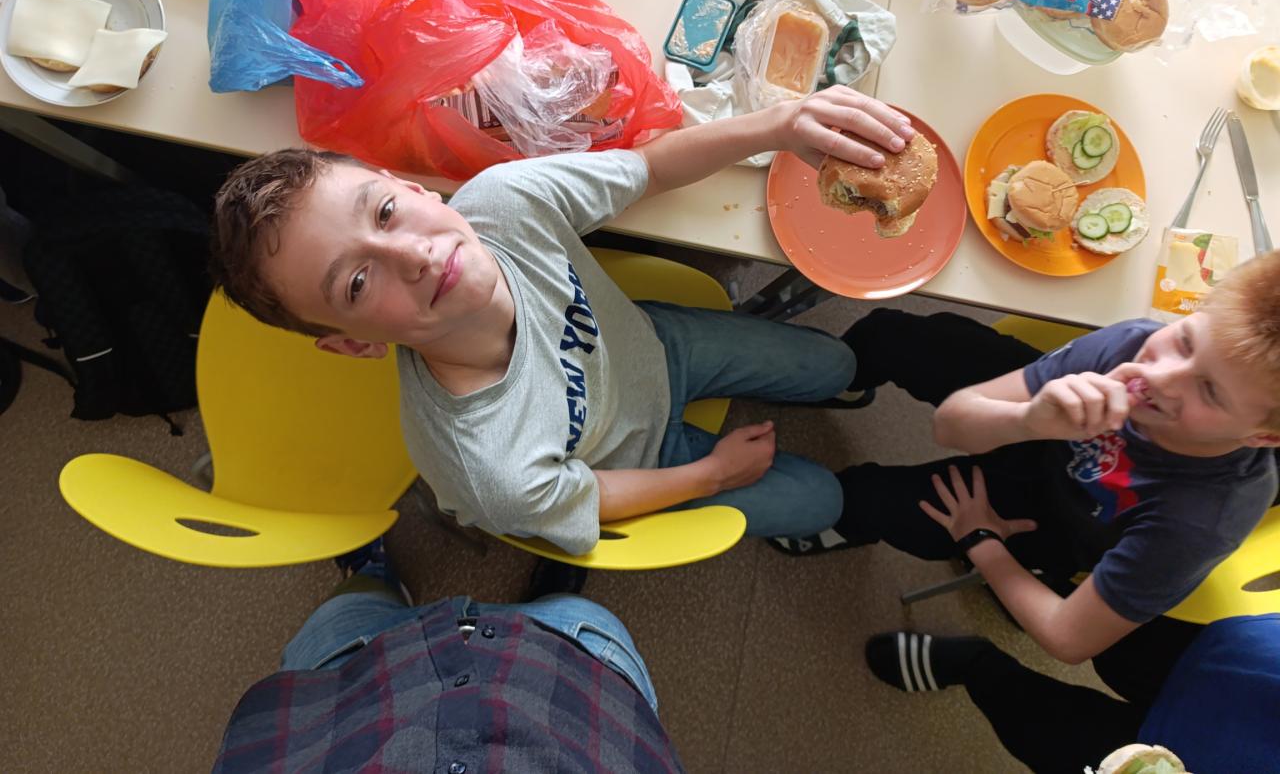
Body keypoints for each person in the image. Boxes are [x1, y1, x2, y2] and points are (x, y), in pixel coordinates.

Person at [209, 87, 913, 555]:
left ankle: (839, 385)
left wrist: (781, 123)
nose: (414, 256)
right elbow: (586, 496)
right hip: (635, 459)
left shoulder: (504, 204)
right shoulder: (484, 463)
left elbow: (650, 168)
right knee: (822, 499)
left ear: (411, 188)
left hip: (656, 348)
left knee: (835, 364)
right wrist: (711, 475)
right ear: (354, 343)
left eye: (387, 212)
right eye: (359, 282)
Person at [772, 252, 1280, 663]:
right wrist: (1030, 421)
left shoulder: (1199, 519)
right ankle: (842, 382)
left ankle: (845, 520)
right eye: (1185, 340)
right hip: (1046, 422)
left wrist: (982, 543)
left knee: (870, 500)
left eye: (1210, 392)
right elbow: (951, 425)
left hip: (1053, 520)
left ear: (1263, 437)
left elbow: (1068, 639)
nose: (1157, 377)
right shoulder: (1132, 344)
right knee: (894, 335)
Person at [212, 540, 685, 773]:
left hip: (347, 682)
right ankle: (549, 592)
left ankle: (370, 572)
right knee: (567, 610)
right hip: (571, 667)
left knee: (351, 605)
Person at [863, 613, 1280, 774]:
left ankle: (978, 667)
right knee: (1118, 651)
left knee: (1051, 732)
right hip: (1241, 666)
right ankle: (1029, 605)